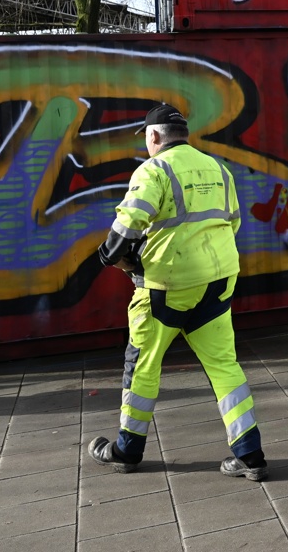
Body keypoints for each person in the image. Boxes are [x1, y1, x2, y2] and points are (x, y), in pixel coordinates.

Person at [87, 103, 268, 480]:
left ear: (153, 137)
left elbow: (128, 225)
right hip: (218, 282)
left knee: (142, 367)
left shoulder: (153, 170)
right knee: (224, 366)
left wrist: (110, 257)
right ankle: (249, 455)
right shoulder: (217, 168)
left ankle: (127, 450)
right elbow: (231, 223)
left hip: (165, 289)